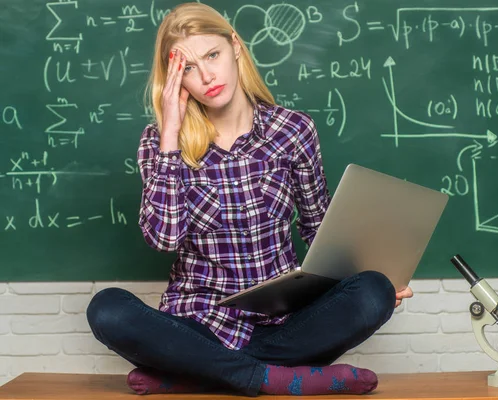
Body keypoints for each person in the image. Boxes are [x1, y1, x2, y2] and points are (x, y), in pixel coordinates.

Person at [86, 2, 413, 397]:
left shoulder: (292, 130)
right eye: (188, 68)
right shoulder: (158, 142)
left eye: (212, 55)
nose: (206, 76)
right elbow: (164, 239)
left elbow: (319, 228)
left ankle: (195, 374)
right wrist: (170, 134)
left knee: (373, 290)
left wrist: (378, 273)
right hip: (198, 325)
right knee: (107, 309)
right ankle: (271, 378)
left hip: (283, 326)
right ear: (176, 80)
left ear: (235, 47)